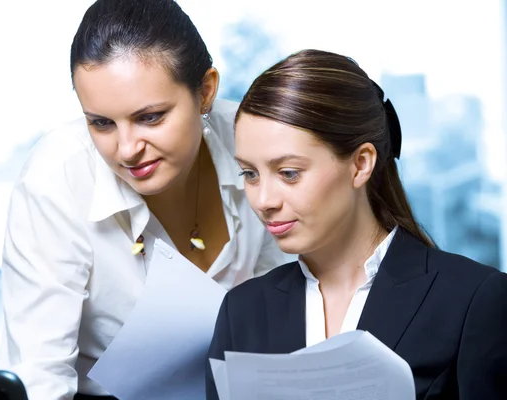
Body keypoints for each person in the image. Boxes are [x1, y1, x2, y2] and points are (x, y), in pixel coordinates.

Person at [0, 1, 291, 399]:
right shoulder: (55, 180)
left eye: (150, 117)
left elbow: (295, 312)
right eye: (101, 123)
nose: (127, 149)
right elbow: (41, 381)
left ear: (205, 91)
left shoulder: (255, 143)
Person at [206, 49, 507, 400]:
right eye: (250, 174)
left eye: (289, 173)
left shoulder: (473, 301)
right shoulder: (241, 312)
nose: (263, 200)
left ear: (361, 164)